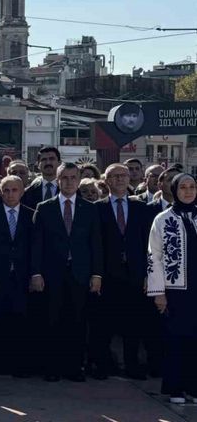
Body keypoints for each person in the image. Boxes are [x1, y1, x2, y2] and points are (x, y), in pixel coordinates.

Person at [30, 162, 103, 382]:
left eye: (73, 178)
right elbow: (36, 244)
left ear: (79, 180)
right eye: (65, 178)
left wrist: (97, 275)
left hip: (80, 274)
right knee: (52, 320)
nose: (69, 182)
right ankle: (53, 367)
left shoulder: (90, 208)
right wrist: (36, 273)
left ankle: (74, 367)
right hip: (52, 274)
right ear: (58, 180)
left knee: (78, 321)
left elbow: (96, 244)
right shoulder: (45, 207)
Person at [90, 163, 155, 380]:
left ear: (129, 180)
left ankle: (132, 365)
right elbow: (94, 243)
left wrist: (148, 274)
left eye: (123, 176)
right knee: (103, 324)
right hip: (108, 275)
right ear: (106, 181)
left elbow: (149, 244)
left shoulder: (142, 208)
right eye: (114, 176)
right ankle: (102, 365)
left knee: (133, 323)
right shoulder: (96, 208)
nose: (119, 179)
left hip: (135, 274)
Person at [147, 173, 197, 404]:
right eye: (183, 187)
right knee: (176, 338)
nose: (188, 191)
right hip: (176, 289)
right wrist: (158, 292)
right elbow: (154, 257)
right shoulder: (163, 219)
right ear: (175, 190)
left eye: (192, 187)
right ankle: (176, 387)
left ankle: (193, 387)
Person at [0, 176, 34, 377]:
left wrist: (34, 274)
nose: (11, 194)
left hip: (21, 276)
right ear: (0, 192)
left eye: (15, 190)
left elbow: (34, 247)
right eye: (6, 190)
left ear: (22, 192)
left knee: (20, 320)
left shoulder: (31, 215)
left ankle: (18, 366)